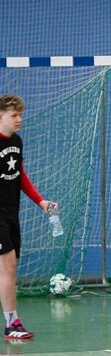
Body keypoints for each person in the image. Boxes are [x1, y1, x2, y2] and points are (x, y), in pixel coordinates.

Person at [0, 95, 57, 340]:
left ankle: (12, 322)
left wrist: (41, 202)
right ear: (0, 117)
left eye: (20, 115)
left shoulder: (17, 141)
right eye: (14, 115)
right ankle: (12, 323)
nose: (19, 119)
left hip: (11, 214)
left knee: (10, 268)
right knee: (8, 266)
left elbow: (20, 175)